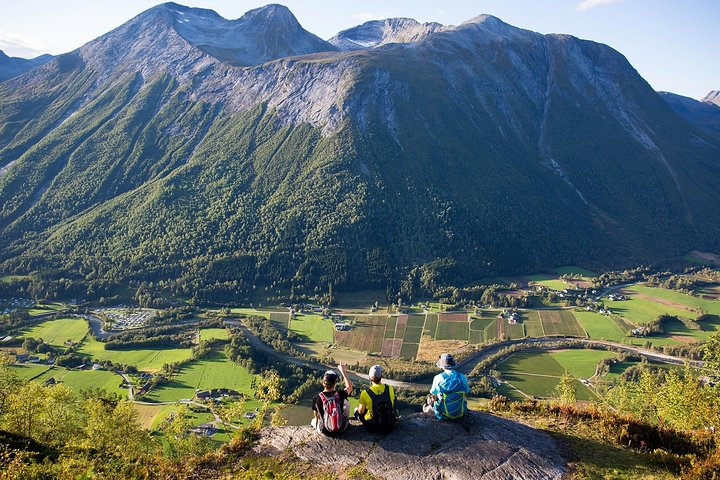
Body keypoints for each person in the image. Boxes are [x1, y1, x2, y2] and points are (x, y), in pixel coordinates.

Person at [423, 353, 470, 420]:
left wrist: (431, 402)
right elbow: (466, 392)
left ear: (442, 365)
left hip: (444, 415)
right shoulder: (462, 377)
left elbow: (434, 395)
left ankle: (428, 409)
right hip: (460, 413)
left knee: (432, 398)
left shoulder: (438, 378)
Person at [311, 362, 353, 435]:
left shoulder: (316, 398)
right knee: (346, 401)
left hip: (325, 431)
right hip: (342, 428)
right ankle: (345, 420)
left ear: (323, 383)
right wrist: (343, 372)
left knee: (313, 420)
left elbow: (316, 416)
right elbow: (349, 387)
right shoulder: (340, 394)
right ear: (335, 383)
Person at [354, 365, 397, 433]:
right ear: (381, 376)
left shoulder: (365, 393)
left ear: (369, 378)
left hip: (373, 426)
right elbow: (392, 404)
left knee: (356, 411)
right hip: (389, 423)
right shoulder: (389, 388)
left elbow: (361, 412)